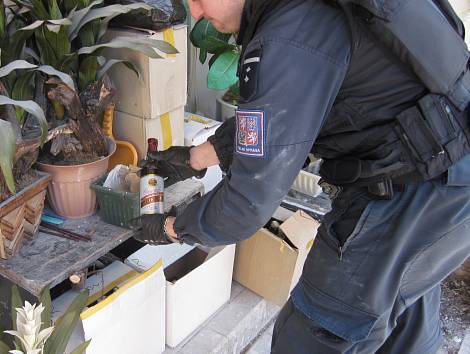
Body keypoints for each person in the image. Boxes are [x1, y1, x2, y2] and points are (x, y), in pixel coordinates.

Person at [132, 0, 470, 353]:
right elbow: (285, 112)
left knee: (314, 333)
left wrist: (171, 228)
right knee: (405, 321)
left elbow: (246, 202)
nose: (196, 13)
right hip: (449, 181)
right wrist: (195, 158)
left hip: (409, 196)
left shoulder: (291, 31)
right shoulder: (308, 12)